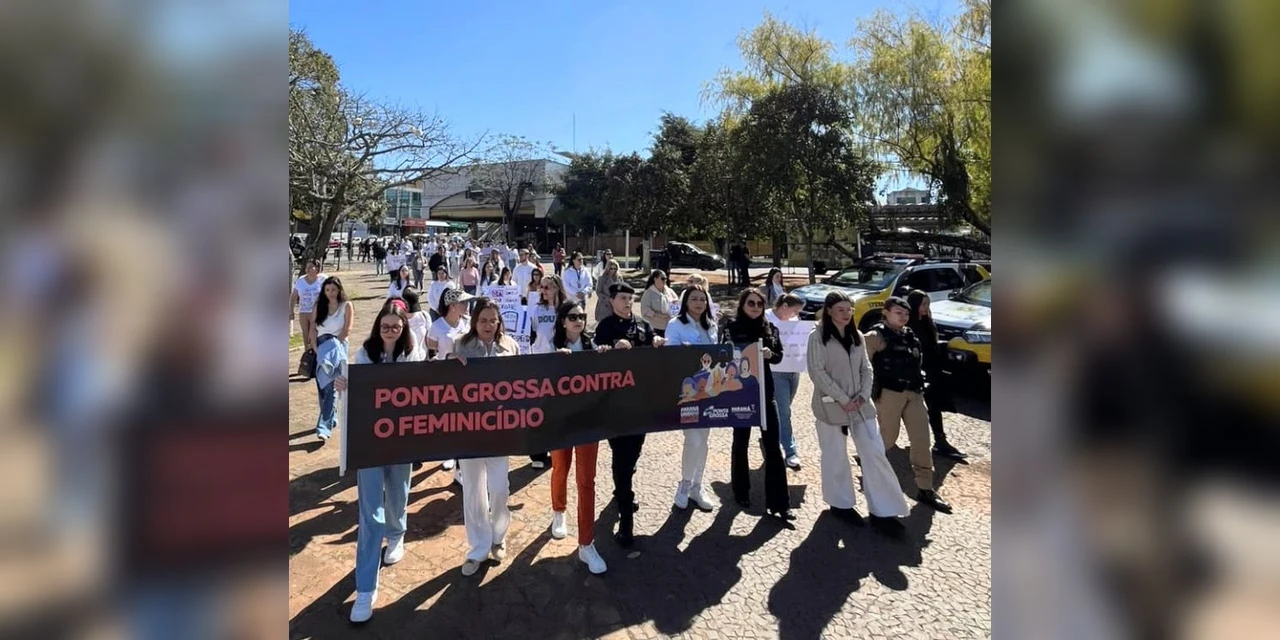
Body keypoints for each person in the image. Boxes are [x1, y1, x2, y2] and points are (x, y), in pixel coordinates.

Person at [333, 303, 425, 623]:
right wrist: (344, 386)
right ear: (377, 328)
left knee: (398, 494)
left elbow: (427, 388)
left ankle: (397, 533)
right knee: (371, 513)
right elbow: (353, 397)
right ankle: (365, 588)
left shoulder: (413, 355)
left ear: (403, 329)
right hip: (370, 443)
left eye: (395, 326)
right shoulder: (363, 355)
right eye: (385, 326)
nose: (390, 330)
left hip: (401, 441)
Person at [805, 291, 909, 539]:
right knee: (835, 455)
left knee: (874, 453)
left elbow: (867, 368)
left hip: (861, 406)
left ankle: (883, 511)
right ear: (829, 310)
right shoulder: (817, 337)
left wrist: (862, 396)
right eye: (840, 309)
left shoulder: (857, 336)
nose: (846, 313)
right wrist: (843, 399)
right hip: (831, 406)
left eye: (849, 309)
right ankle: (840, 505)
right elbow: (817, 372)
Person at [446, 298, 520, 576]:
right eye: (483, 320)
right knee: (474, 492)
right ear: (474, 322)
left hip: (500, 430)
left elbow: (525, 382)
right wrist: (449, 363)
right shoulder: (461, 345)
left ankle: (498, 538)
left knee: (500, 489)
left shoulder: (510, 346)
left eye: (493, 320)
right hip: (470, 430)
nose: (489, 325)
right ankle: (478, 547)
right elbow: (446, 382)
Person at [865, 297, 953, 514]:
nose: (903, 317)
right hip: (889, 394)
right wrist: (868, 395)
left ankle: (925, 488)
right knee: (887, 438)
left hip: (913, 393)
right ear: (885, 312)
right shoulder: (875, 336)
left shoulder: (909, 335)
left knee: (922, 440)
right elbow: (863, 367)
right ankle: (870, 473)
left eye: (905, 314)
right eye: (898, 313)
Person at [593, 283, 666, 546]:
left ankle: (622, 487)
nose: (627, 302)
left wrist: (657, 342)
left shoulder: (644, 326)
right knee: (621, 457)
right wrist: (609, 349)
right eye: (622, 298)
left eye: (630, 298)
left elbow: (655, 354)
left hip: (640, 405)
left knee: (633, 454)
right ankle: (626, 518)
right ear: (611, 301)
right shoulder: (605, 326)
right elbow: (594, 363)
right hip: (614, 406)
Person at [720, 287, 794, 521]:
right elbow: (723, 356)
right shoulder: (731, 327)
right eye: (750, 303)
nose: (755, 308)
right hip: (741, 393)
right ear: (742, 305)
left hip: (765, 392)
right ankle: (740, 491)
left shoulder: (770, 328)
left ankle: (780, 502)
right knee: (740, 442)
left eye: (759, 304)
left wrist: (769, 354)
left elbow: (780, 355)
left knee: (773, 446)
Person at [548, 301, 610, 574]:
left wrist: (608, 355)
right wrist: (553, 362)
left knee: (587, 481)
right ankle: (558, 511)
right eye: (573, 316)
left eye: (582, 316)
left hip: (588, 423)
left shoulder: (593, 347)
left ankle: (586, 543)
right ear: (562, 321)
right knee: (561, 468)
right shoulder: (547, 346)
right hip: (559, 422)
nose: (578, 320)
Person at [663, 284, 719, 511]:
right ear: (686, 301)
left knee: (704, 441)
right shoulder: (675, 325)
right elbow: (670, 356)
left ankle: (697, 485)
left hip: (710, 390)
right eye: (694, 299)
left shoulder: (712, 326)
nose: (699, 303)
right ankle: (685, 483)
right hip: (687, 391)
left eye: (703, 300)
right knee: (693, 439)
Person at [906, 290, 966, 460]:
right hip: (912, 373)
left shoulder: (927, 323)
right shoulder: (907, 325)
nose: (925, 308)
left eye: (927, 304)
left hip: (930, 372)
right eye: (922, 304)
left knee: (934, 407)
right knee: (901, 410)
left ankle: (940, 441)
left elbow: (932, 346)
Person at [310, 276, 353, 443]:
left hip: (338, 346)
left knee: (332, 387)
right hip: (321, 347)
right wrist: (315, 347)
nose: (330, 293)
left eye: (333, 290)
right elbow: (313, 327)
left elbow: (347, 329)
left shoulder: (346, 306)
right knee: (322, 385)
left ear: (339, 290)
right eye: (327, 290)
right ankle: (330, 416)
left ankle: (324, 427)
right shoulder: (319, 305)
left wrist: (337, 347)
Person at [767, 293, 807, 469]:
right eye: (794, 310)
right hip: (776, 370)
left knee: (785, 408)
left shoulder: (794, 320)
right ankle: (790, 451)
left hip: (793, 369)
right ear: (784, 306)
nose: (796, 314)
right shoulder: (766, 317)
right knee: (784, 411)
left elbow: (800, 342)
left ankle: (771, 433)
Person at [291, 259, 326, 357]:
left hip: (317, 311)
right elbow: (294, 296)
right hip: (304, 311)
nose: (308, 269)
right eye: (307, 267)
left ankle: (317, 355)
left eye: (311, 267)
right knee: (306, 335)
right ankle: (308, 356)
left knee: (314, 335)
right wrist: (291, 310)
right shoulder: (301, 280)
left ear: (317, 268)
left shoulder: (323, 279)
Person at [639, 269, 678, 337]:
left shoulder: (670, 291)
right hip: (655, 327)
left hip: (669, 327)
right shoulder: (648, 293)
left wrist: (673, 310)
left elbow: (677, 305)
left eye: (666, 278)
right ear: (655, 279)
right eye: (662, 278)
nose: (665, 280)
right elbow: (645, 310)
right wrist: (659, 316)